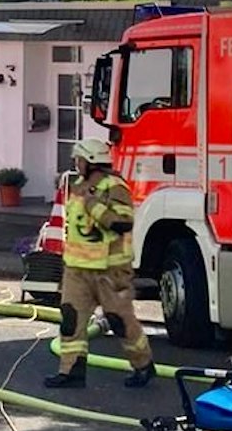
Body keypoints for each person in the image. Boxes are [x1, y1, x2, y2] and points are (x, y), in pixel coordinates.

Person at [48, 138, 153, 389]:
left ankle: (143, 365)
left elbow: (123, 223)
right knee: (71, 319)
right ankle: (71, 370)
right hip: (77, 269)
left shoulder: (114, 187)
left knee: (119, 320)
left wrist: (94, 206)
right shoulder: (78, 186)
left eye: (80, 160)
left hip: (110, 270)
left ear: (91, 161)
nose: (77, 164)